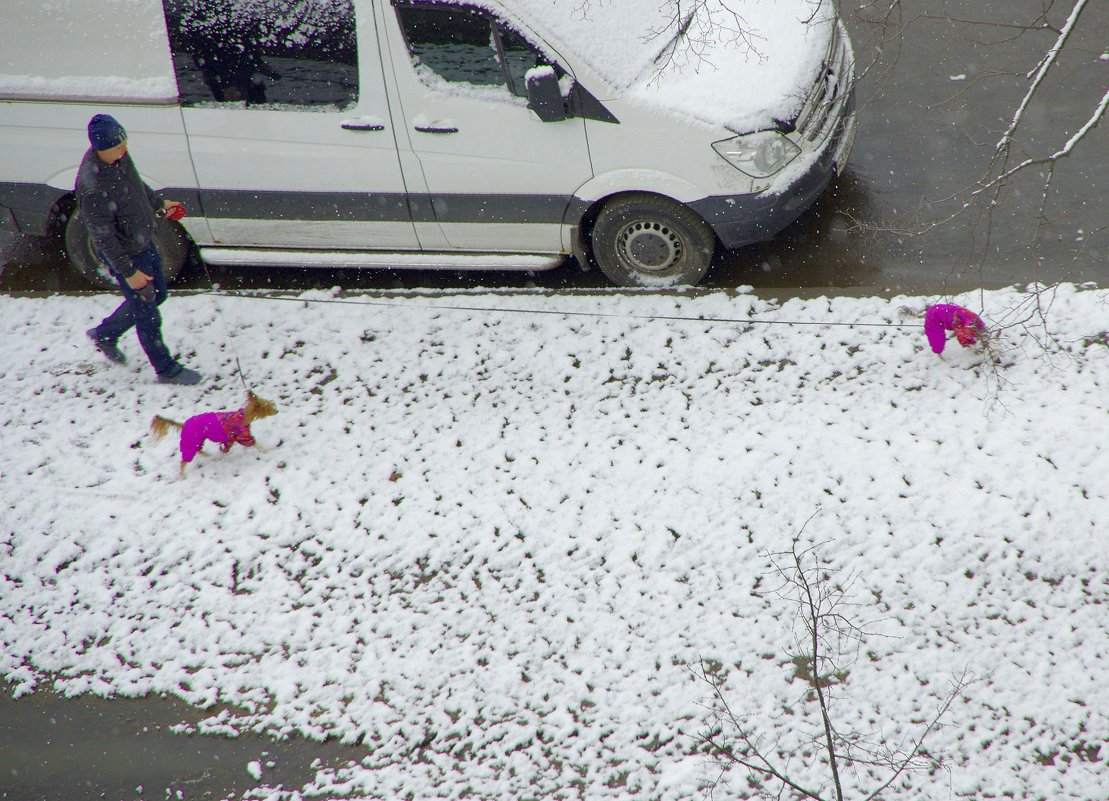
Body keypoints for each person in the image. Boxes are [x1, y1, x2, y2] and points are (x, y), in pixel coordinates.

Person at [79, 114, 202, 385]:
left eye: (125, 143)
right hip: (127, 256)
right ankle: (166, 369)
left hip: (143, 242)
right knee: (148, 313)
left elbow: (136, 187)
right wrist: (130, 272)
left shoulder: (119, 158)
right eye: (118, 146)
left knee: (157, 296)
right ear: (101, 148)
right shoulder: (92, 187)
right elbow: (104, 240)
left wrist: (158, 203)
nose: (125, 149)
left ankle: (106, 333)